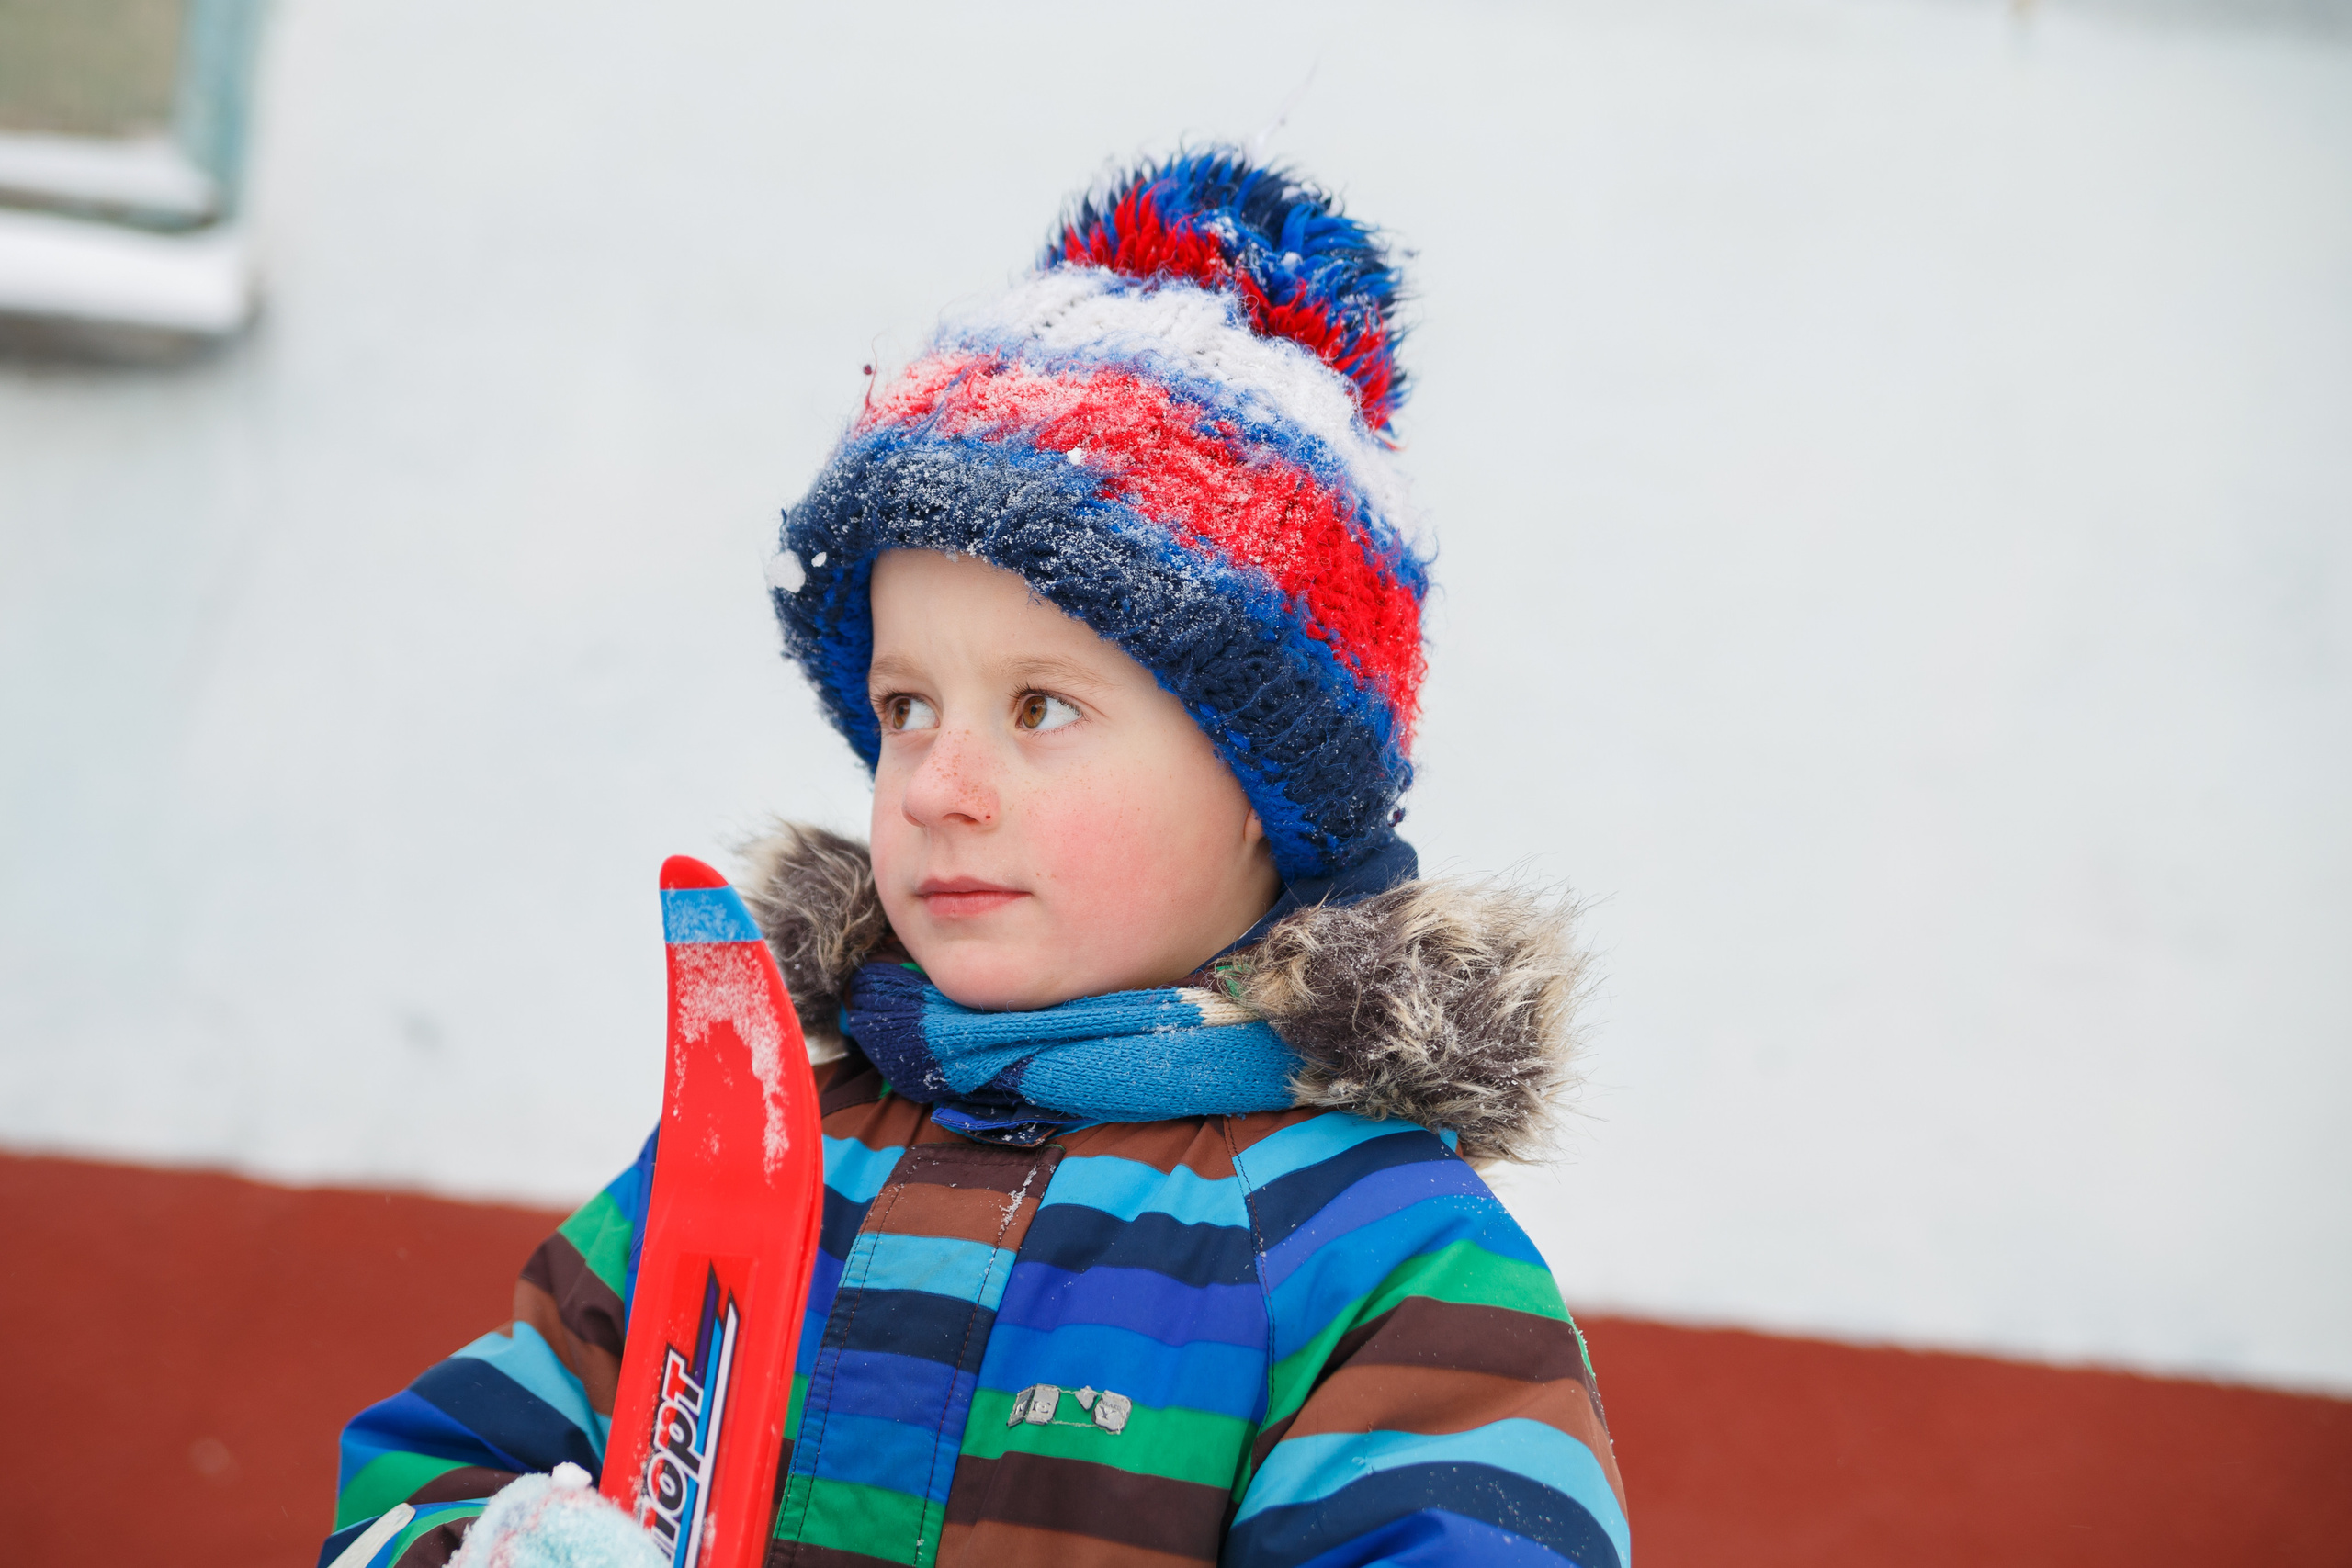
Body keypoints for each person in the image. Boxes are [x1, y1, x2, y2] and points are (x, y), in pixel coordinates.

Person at [322, 148, 1630, 1568]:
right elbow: (430, 1474)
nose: (940, 787)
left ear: (1265, 785)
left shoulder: (1374, 1256)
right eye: (904, 708)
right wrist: (497, 1546)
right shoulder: (763, 1164)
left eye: (1041, 708)